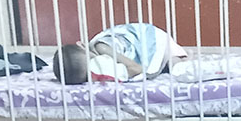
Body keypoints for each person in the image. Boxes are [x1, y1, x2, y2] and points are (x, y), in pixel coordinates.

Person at [53, 23, 189, 84]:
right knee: (171, 65)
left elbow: (137, 69)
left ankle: (176, 55)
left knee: (174, 68)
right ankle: (177, 55)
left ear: (83, 45)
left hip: (150, 40)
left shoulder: (102, 48)